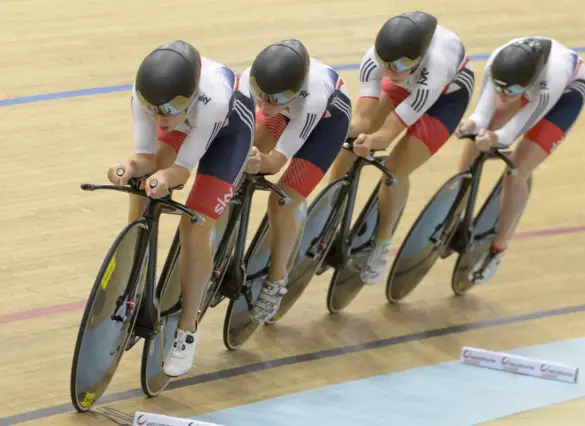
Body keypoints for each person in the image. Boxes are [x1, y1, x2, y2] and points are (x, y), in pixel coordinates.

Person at [106, 40, 255, 377]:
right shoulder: (146, 97)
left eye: (168, 110)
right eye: (152, 110)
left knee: (195, 226)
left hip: (228, 135)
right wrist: (127, 168)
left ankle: (188, 329)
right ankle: (133, 279)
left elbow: (182, 171)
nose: (159, 118)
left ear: (187, 98)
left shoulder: (213, 102)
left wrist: (164, 178)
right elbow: (145, 158)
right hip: (188, 123)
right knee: (142, 186)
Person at [326, 11, 474, 285]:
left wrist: (371, 142)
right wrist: (340, 132)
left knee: (394, 170)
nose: (391, 71)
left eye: (400, 65)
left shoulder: (436, 67)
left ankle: (382, 244)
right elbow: (362, 120)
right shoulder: (375, 60)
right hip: (408, 86)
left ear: (418, 58)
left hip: (445, 98)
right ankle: (328, 213)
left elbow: (388, 133)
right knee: (349, 143)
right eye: (387, 65)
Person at [454, 36, 585, 284]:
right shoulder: (497, 63)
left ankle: (498, 249)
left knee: (516, 170)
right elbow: (482, 114)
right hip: (525, 84)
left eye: (511, 92)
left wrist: (494, 138)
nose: (503, 96)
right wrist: (471, 125)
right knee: (479, 132)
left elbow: (510, 133)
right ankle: (456, 205)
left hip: (565, 95)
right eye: (499, 88)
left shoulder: (552, 80)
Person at [240, 39, 352, 324]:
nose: (262, 106)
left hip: (328, 121)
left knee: (283, 201)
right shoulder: (254, 79)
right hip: (288, 111)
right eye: (259, 96)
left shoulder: (312, 98)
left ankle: (276, 282)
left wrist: (259, 161)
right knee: (243, 158)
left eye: (271, 99)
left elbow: (276, 162)